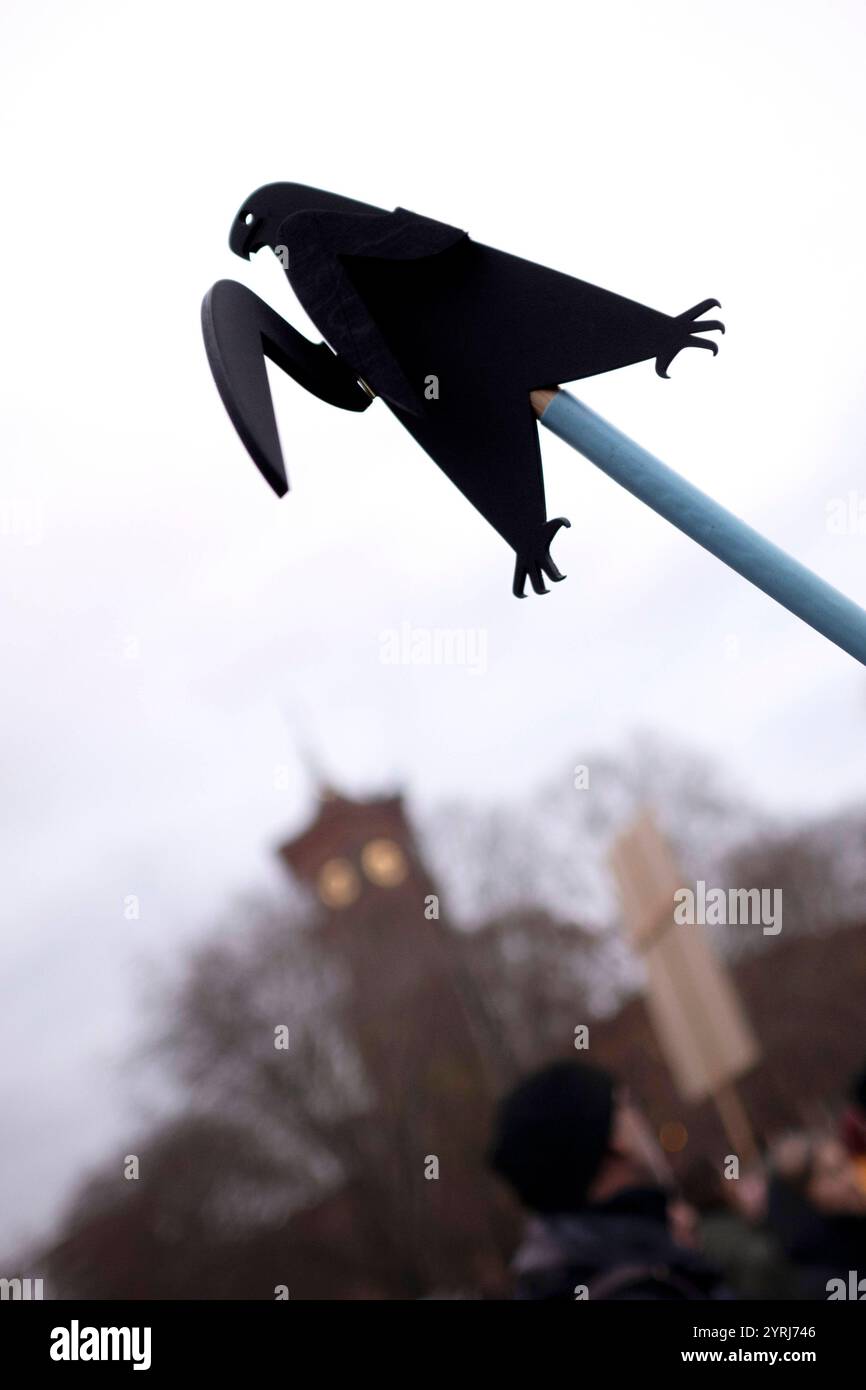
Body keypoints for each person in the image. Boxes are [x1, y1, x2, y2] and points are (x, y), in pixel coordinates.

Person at [488, 1060, 727, 1300]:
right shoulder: (637, 1286)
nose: (641, 1121)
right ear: (614, 1137)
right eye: (628, 1105)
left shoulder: (569, 1269)